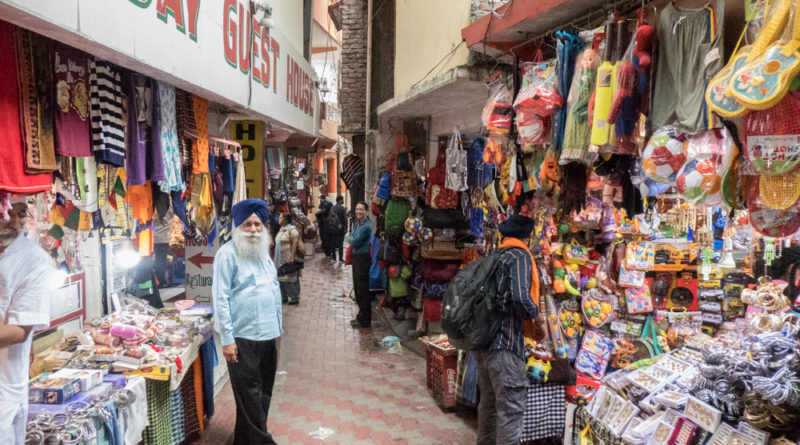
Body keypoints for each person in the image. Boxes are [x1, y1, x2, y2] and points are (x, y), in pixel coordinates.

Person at [212, 198, 282, 445]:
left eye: (258, 224)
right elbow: (220, 298)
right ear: (238, 226)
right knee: (250, 396)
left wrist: (278, 331)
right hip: (242, 338)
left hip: (268, 336)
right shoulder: (227, 254)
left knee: (263, 394)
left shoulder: (264, 253)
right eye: (248, 224)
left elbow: (273, 291)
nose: (253, 229)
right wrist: (228, 340)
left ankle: (243, 440)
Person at [477, 214, 540, 445]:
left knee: (489, 407)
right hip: (505, 346)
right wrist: (537, 315)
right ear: (527, 237)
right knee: (510, 413)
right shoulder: (520, 255)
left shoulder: (495, 255)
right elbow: (521, 297)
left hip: (484, 345)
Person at [0, 201, 56, 443]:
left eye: (20, 214)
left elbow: (18, 332)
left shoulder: (33, 260)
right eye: (5, 213)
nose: (13, 222)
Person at [349, 201, 373, 328]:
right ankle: (361, 316)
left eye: (361, 209)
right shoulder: (358, 224)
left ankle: (365, 319)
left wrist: (351, 239)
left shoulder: (366, 227)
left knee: (362, 289)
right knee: (358, 288)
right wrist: (351, 239)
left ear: (366, 211)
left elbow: (355, 241)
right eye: (357, 209)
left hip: (362, 258)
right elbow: (351, 237)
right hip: (356, 257)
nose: (358, 211)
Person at [275, 212, 302, 305]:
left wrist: (292, 256)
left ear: (286, 220)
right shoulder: (282, 229)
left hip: (288, 257)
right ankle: (283, 296)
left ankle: (294, 297)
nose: (279, 219)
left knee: (291, 277)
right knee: (281, 277)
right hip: (280, 258)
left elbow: (295, 243)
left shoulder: (292, 230)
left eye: (280, 217)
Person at [328, 196, 348, 263]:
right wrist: (346, 227)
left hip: (333, 228)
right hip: (340, 229)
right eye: (342, 200)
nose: (343, 201)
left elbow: (329, 218)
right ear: (340, 200)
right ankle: (340, 258)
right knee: (340, 244)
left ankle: (333, 258)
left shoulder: (332, 208)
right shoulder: (342, 208)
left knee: (333, 243)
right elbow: (345, 219)